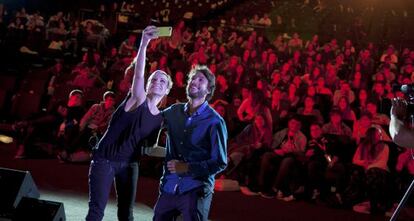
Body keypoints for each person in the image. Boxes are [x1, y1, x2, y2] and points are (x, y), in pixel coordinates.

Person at [86, 26, 173, 221]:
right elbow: (139, 74)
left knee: (127, 214)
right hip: (105, 160)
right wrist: (144, 44)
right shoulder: (137, 99)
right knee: (96, 211)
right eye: (154, 79)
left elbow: (149, 148)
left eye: (162, 81)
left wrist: (175, 153)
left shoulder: (160, 117)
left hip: (129, 164)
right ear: (148, 84)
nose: (157, 81)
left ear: (167, 90)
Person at [153, 65, 228, 221]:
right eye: (192, 78)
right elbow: (150, 122)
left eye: (200, 79)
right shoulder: (174, 111)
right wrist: (153, 95)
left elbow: (220, 162)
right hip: (169, 185)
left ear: (208, 90)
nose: (194, 81)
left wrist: (188, 168)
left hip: (196, 188)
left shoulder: (215, 121)